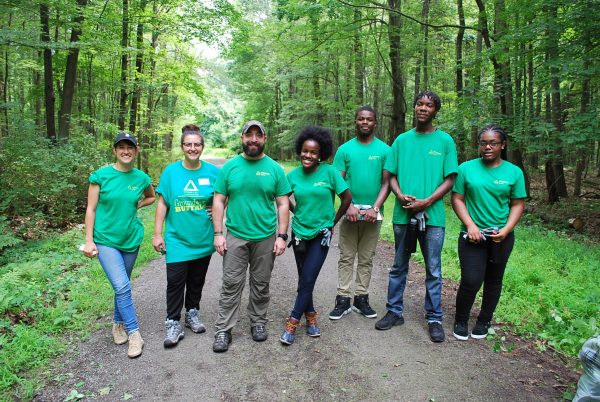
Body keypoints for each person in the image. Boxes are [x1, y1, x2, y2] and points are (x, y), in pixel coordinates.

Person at [375, 91, 458, 343]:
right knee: (399, 265)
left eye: (428, 105)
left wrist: (428, 201)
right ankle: (394, 311)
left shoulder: (445, 141)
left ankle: (434, 318)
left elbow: (450, 178)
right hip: (403, 215)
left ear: (435, 110)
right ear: (415, 108)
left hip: (432, 218)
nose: (423, 108)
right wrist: (399, 195)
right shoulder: (401, 140)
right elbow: (390, 174)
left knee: (433, 268)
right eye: (419, 104)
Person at [211, 120, 291, 353]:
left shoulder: (275, 169)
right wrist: (218, 233)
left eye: (258, 135)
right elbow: (218, 200)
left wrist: (282, 236)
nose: (253, 139)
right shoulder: (230, 167)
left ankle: (258, 322)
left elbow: (283, 203)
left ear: (265, 139)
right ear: (242, 137)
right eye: (249, 135)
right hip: (235, 235)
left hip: (266, 236)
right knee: (231, 283)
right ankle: (223, 330)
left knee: (261, 283)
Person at [83, 132, 156, 358]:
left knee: (121, 285)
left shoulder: (141, 178)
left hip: (131, 239)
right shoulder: (100, 177)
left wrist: (137, 204)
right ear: (114, 150)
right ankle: (135, 334)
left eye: (130, 147)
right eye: (121, 147)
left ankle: (117, 323)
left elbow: (151, 197)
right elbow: (91, 209)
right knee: (123, 287)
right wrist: (88, 240)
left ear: (136, 150)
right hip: (105, 240)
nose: (126, 151)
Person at [451, 124, 526, 340]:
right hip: (472, 236)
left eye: (493, 143)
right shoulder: (466, 168)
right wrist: (471, 225)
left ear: (503, 145)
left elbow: (517, 204)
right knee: (471, 280)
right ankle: (461, 319)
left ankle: (484, 320)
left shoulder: (514, 172)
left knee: (494, 280)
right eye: (484, 142)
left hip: (501, 236)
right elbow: (457, 199)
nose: (488, 147)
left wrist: (506, 229)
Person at [280, 126, 352, 345]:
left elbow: (347, 198)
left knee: (308, 278)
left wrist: (333, 222)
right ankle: (311, 319)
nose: (308, 155)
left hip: (321, 234)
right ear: (299, 150)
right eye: (305, 151)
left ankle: (292, 322)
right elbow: (282, 199)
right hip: (299, 233)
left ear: (321, 154)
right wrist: (295, 211)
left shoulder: (330, 173)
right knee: (305, 279)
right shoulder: (291, 175)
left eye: (313, 152)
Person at [153, 124, 220, 348]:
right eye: (188, 144)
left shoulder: (213, 172)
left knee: (196, 280)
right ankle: (173, 322)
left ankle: (192, 313)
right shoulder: (171, 172)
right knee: (175, 282)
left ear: (202, 146)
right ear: (182, 147)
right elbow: (162, 202)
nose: (193, 148)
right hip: (177, 239)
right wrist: (157, 234)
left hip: (202, 237)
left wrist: (219, 208)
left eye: (197, 144)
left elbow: (222, 196)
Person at [330, 106, 391, 320]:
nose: (365, 122)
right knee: (347, 256)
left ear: (375, 122)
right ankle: (343, 299)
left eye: (369, 119)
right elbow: (338, 180)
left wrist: (375, 208)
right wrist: (349, 205)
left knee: (366, 257)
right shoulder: (345, 150)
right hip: (350, 212)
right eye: (361, 119)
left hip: (373, 215)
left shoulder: (385, 150)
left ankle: (361, 298)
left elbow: (387, 183)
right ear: (355, 122)